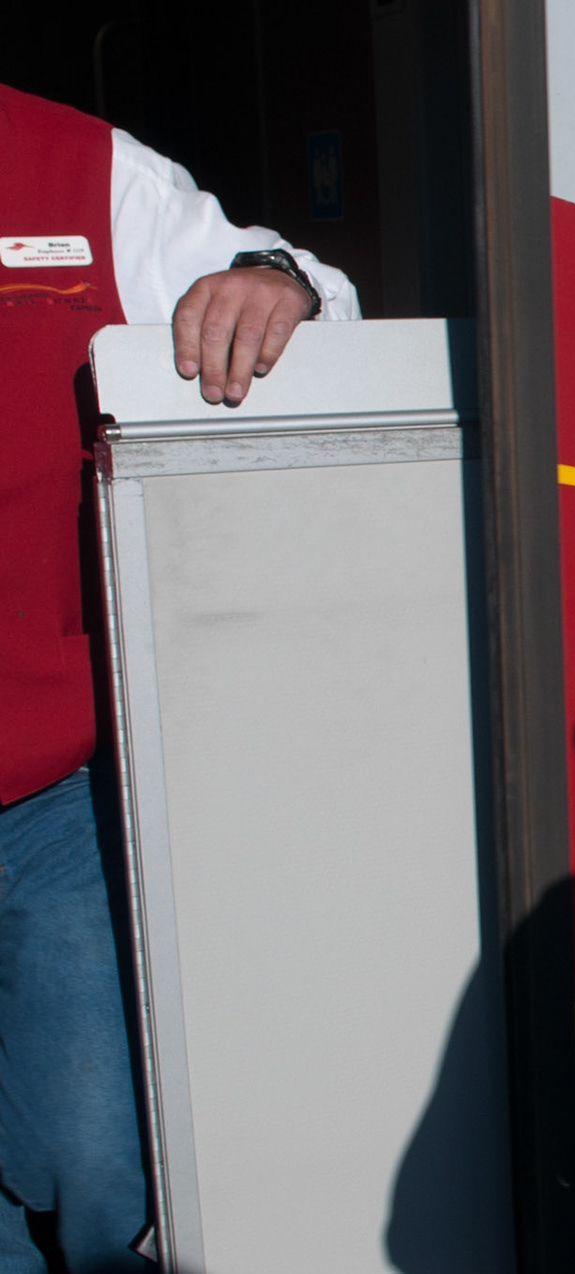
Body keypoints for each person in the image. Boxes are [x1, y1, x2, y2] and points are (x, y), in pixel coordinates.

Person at [1, 82, 355, 1271]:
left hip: (46, 789)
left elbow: (322, 302)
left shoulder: (75, 164)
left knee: (101, 1165)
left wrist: (279, 283)